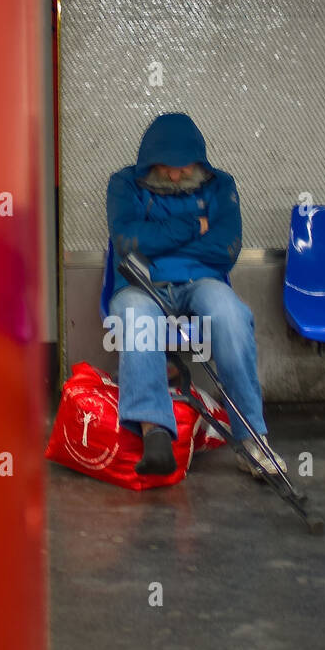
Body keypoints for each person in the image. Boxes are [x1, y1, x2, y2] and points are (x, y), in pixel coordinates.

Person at [105, 112, 285, 479]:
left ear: (198, 162)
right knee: (138, 319)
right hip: (141, 284)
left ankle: (253, 438)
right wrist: (194, 227)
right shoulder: (124, 184)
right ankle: (153, 435)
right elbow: (127, 243)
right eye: (164, 167)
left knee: (231, 316)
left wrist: (159, 240)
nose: (173, 175)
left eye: (182, 167)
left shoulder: (220, 186)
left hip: (202, 281)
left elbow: (225, 250)